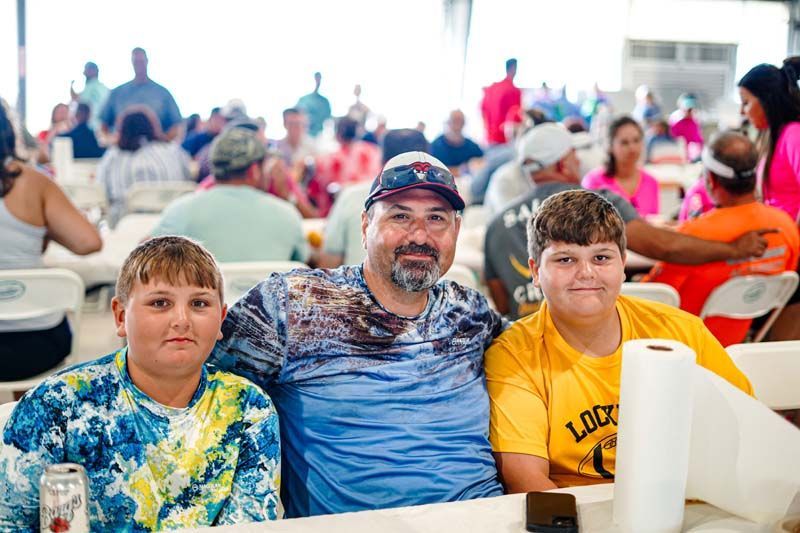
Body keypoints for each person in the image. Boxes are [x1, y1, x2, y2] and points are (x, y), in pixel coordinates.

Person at [208, 151, 505, 518]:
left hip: (487, 518)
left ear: (456, 231)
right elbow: (201, 399)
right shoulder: (290, 305)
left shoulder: (472, 314)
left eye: (436, 219)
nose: (420, 235)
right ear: (365, 226)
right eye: (400, 216)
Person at [0, 236, 281, 530]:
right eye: (160, 303)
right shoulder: (57, 404)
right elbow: (11, 523)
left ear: (221, 319)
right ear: (121, 316)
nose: (182, 319)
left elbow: (250, 525)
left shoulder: (249, 408)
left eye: (199, 303)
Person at [485, 189, 753, 492]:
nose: (585, 273)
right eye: (565, 260)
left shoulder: (682, 333)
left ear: (622, 264)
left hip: (681, 500)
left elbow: (744, 428)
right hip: (576, 512)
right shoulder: (514, 356)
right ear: (535, 271)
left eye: (601, 258)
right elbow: (527, 481)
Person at [484, 122, 772, 320]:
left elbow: (502, 302)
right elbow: (664, 247)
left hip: (527, 348)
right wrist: (733, 250)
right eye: (574, 157)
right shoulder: (597, 203)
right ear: (563, 164)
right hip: (587, 343)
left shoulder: (496, 226)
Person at [645, 132, 799, 346]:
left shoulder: (693, 237)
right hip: (735, 348)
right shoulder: (785, 227)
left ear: (711, 180)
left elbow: (653, 297)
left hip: (681, 345)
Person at [0, 102, 102, 382]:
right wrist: (43, 229)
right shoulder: (31, 181)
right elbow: (88, 242)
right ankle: (21, 419)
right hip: (35, 344)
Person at [151, 127, 308, 263]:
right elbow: (306, 261)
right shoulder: (287, 216)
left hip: (207, 298)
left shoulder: (180, 211)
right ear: (254, 170)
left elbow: (145, 255)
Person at [738, 56, 800, 340]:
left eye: (747, 102)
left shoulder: (793, 135)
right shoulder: (773, 137)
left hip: (794, 254)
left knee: (781, 346)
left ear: (766, 100)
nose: (743, 111)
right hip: (780, 250)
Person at [318, 128, 430, 268]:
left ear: (381, 158)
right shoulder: (441, 201)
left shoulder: (352, 196)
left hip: (356, 286)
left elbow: (329, 261)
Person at [96, 107, 192, 227]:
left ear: (122, 130)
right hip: (172, 226)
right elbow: (188, 182)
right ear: (154, 127)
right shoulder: (174, 151)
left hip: (125, 228)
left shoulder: (112, 156)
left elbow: (102, 193)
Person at [582, 116, 659, 218]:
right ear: (610, 146)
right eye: (624, 143)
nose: (632, 148)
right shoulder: (594, 182)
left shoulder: (651, 182)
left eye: (636, 140)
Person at [99, 47, 183, 141]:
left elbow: (177, 124)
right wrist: (111, 140)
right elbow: (103, 125)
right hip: (123, 151)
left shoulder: (163, 93)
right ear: (132, 63)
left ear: (147, 61)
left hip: (155, 149)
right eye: (136, 62)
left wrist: (164, 140)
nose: (139, 65)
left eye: (141, 61)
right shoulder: (117, 93)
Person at [310, 116, 381, 216]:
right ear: (358, 132)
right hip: (372, 210)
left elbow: (319, 193)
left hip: (341, 212)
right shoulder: (374, 152)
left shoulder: (327, 160)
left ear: (337, 134)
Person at [480, 58, 522, 145]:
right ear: (513, 68)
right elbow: (516, 115)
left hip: (489, 137)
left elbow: (482, 109)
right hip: (504, 139)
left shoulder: (492, 88)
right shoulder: (514, 90)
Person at [431, 109, 484, 174]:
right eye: (454, 121)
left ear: (464, 123)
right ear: (448, 122)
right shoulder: (436, 146)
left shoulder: (472, 147)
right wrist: (462, 170)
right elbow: (433, 170)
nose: (458, 125)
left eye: (460, 121)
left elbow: (483, 163)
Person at [70, 61, 109, 132]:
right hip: (91, 126)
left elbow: (79, 101)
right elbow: (77, 99)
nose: (84, 73)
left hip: (95, 126)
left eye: (86, 69)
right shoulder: (90, 87)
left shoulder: (96, 87)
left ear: (94, 70)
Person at [296, 71, 332, 138]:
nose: (317, 81)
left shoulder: (324, 102)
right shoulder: (304, 100)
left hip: (319, 137)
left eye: (319, 79)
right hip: (304, 136)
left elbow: (329, 120)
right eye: (316, 78)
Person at [669, 93, 704, 161]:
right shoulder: (676, 119)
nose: (691, 112)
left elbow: (698, 139)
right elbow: (673, 138)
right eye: (688, 110)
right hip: (678, 151)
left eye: (693, 109)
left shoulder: (695, 120)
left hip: (693, 153)